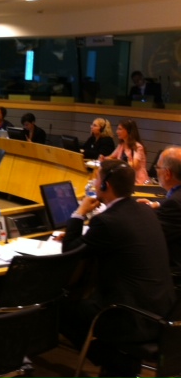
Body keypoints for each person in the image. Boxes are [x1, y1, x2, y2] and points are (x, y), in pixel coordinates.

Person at [60, 160, 175, 377]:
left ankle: (116, 361)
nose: (95, 183)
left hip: (129, 317)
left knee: (59, 308)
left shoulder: (107, 221)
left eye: (97, 178)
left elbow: (70, 252)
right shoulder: (145, 211)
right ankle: (118, 361)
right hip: (162, 311)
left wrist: (79, 213)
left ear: (106, 185)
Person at [137, 146, 181, 277]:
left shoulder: (174, 204)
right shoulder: (175, 199)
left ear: (167, 174)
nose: (156, 170)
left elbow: (150, 236)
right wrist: (156, 204)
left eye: (158, 167)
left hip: (171, 269)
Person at [100, 118, 148, 184]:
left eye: (120, 129)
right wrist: (104, 158)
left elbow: (135, 165)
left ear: (128, 131)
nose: (117, 132)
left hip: (137, 181)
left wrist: (117, 163)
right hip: (125, 179)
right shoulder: (121, 145)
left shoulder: (137, 146)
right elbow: (112, 157)